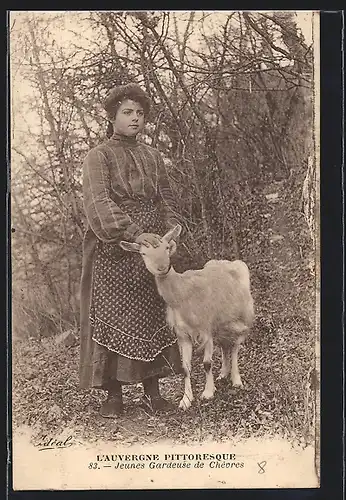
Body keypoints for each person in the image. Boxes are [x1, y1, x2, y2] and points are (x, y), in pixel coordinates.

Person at [79, 83, 182, 418]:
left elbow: (167, 198)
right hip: (114, 248)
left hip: (153, 250)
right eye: (127, 112)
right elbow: (99, 204)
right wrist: (137, 235)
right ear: (112, 117)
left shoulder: (153, 156)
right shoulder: (99, 156)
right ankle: (113, 397)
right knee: (114, 316)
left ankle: (153, 393)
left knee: (152, 314)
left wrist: (171, 234)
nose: (135, 118)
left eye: (139, 113)